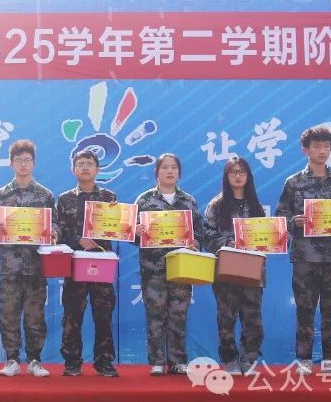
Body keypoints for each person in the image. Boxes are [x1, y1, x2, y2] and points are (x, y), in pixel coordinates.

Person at [275, 126, 331, 377]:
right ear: (305, 150)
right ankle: (304, 359)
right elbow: (280, 217)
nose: (322, 151)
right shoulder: (294, 182)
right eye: (317, 146)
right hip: (305, 257)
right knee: (305, 309)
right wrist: (294, 221)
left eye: (326, 146)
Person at [0, 139, 58, 378]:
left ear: (34, 163)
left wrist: (54, 232)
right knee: (9, 316)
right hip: (10, 267)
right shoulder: (1, 195)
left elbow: (56, 225)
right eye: (19, 160)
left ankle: (35, 360)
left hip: (37, 267)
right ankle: (12, 359)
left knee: (35, 317)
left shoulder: (46, 195)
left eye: (27, 160)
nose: (23, 164)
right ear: (11, 164)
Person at [133, 153, 202, 376]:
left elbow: (199, 232)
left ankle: (177, 361)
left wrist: (194, 243)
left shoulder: (188, 201)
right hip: (153, 269)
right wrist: (136, 232)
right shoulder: (144, 200)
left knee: (178, 315)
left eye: (173, 167)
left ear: (179, 172)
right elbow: (130, 235)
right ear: (157, 172)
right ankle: (157, 361)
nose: (169, 171)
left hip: (181, 268)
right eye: (164, 167)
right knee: (155, 315)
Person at [54, 150, 119, 378]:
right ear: (73, 169)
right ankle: (72, 362)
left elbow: (117, 228)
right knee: (72, 315)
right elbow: (57, 231)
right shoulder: (64, 199)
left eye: (89, 164)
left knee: (103, 315)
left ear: (97, 169)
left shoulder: (109, 198)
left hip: (102, 263)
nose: (85, 167)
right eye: (80, 164)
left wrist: (124, 223)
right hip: (74, 263)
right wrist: (77, 239)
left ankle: (104, 362)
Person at [201, 157, 266, 376]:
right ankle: (229, 360)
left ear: (248, 176)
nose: (238, 176)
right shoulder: (217, 205)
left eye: (242, 172)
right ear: (226, 177)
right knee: (226, 317)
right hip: (226, 268)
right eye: (233, 172)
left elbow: (265, 235)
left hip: (252, 269)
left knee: (253, 318)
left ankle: (248, 360)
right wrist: (228, 242)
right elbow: (206, 235)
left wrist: (276, 238)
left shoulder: (256, 205)